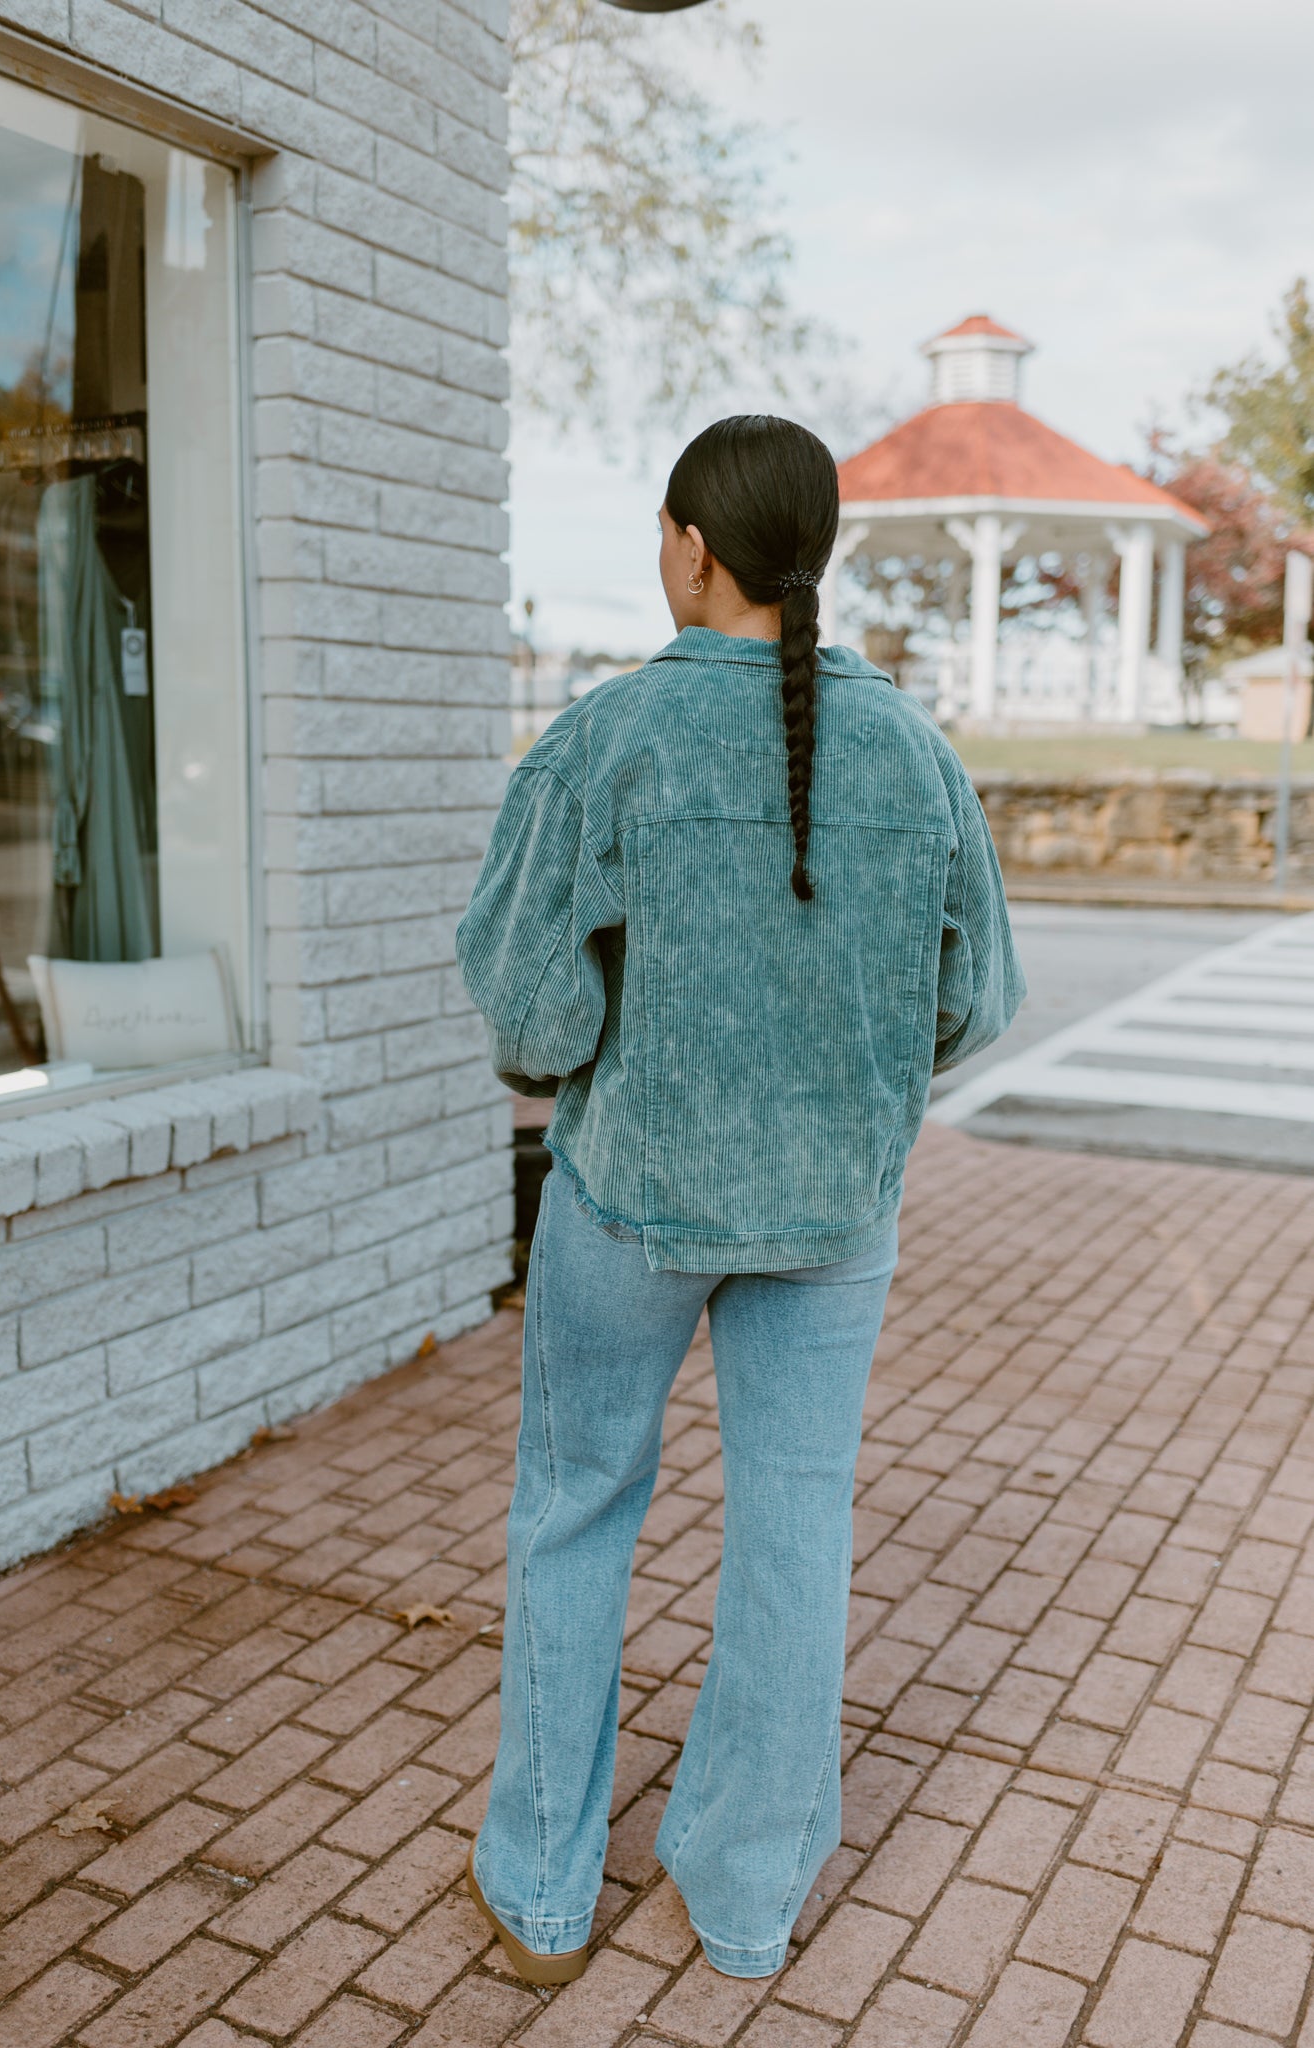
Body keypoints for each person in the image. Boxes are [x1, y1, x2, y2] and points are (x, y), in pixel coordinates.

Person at [455, 414, 1024, 1985]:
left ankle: (545, 1897)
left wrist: (630, 1041)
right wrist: (844, 1088)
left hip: (630, 1196)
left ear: (693, 548)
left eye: (661, 533)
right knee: (795, 1526)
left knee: (575, 1515)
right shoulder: (917, 750)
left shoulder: (605, 738)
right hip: (836, 1215)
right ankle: (747, 1904)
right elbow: (978, 999)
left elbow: (530, 1023)